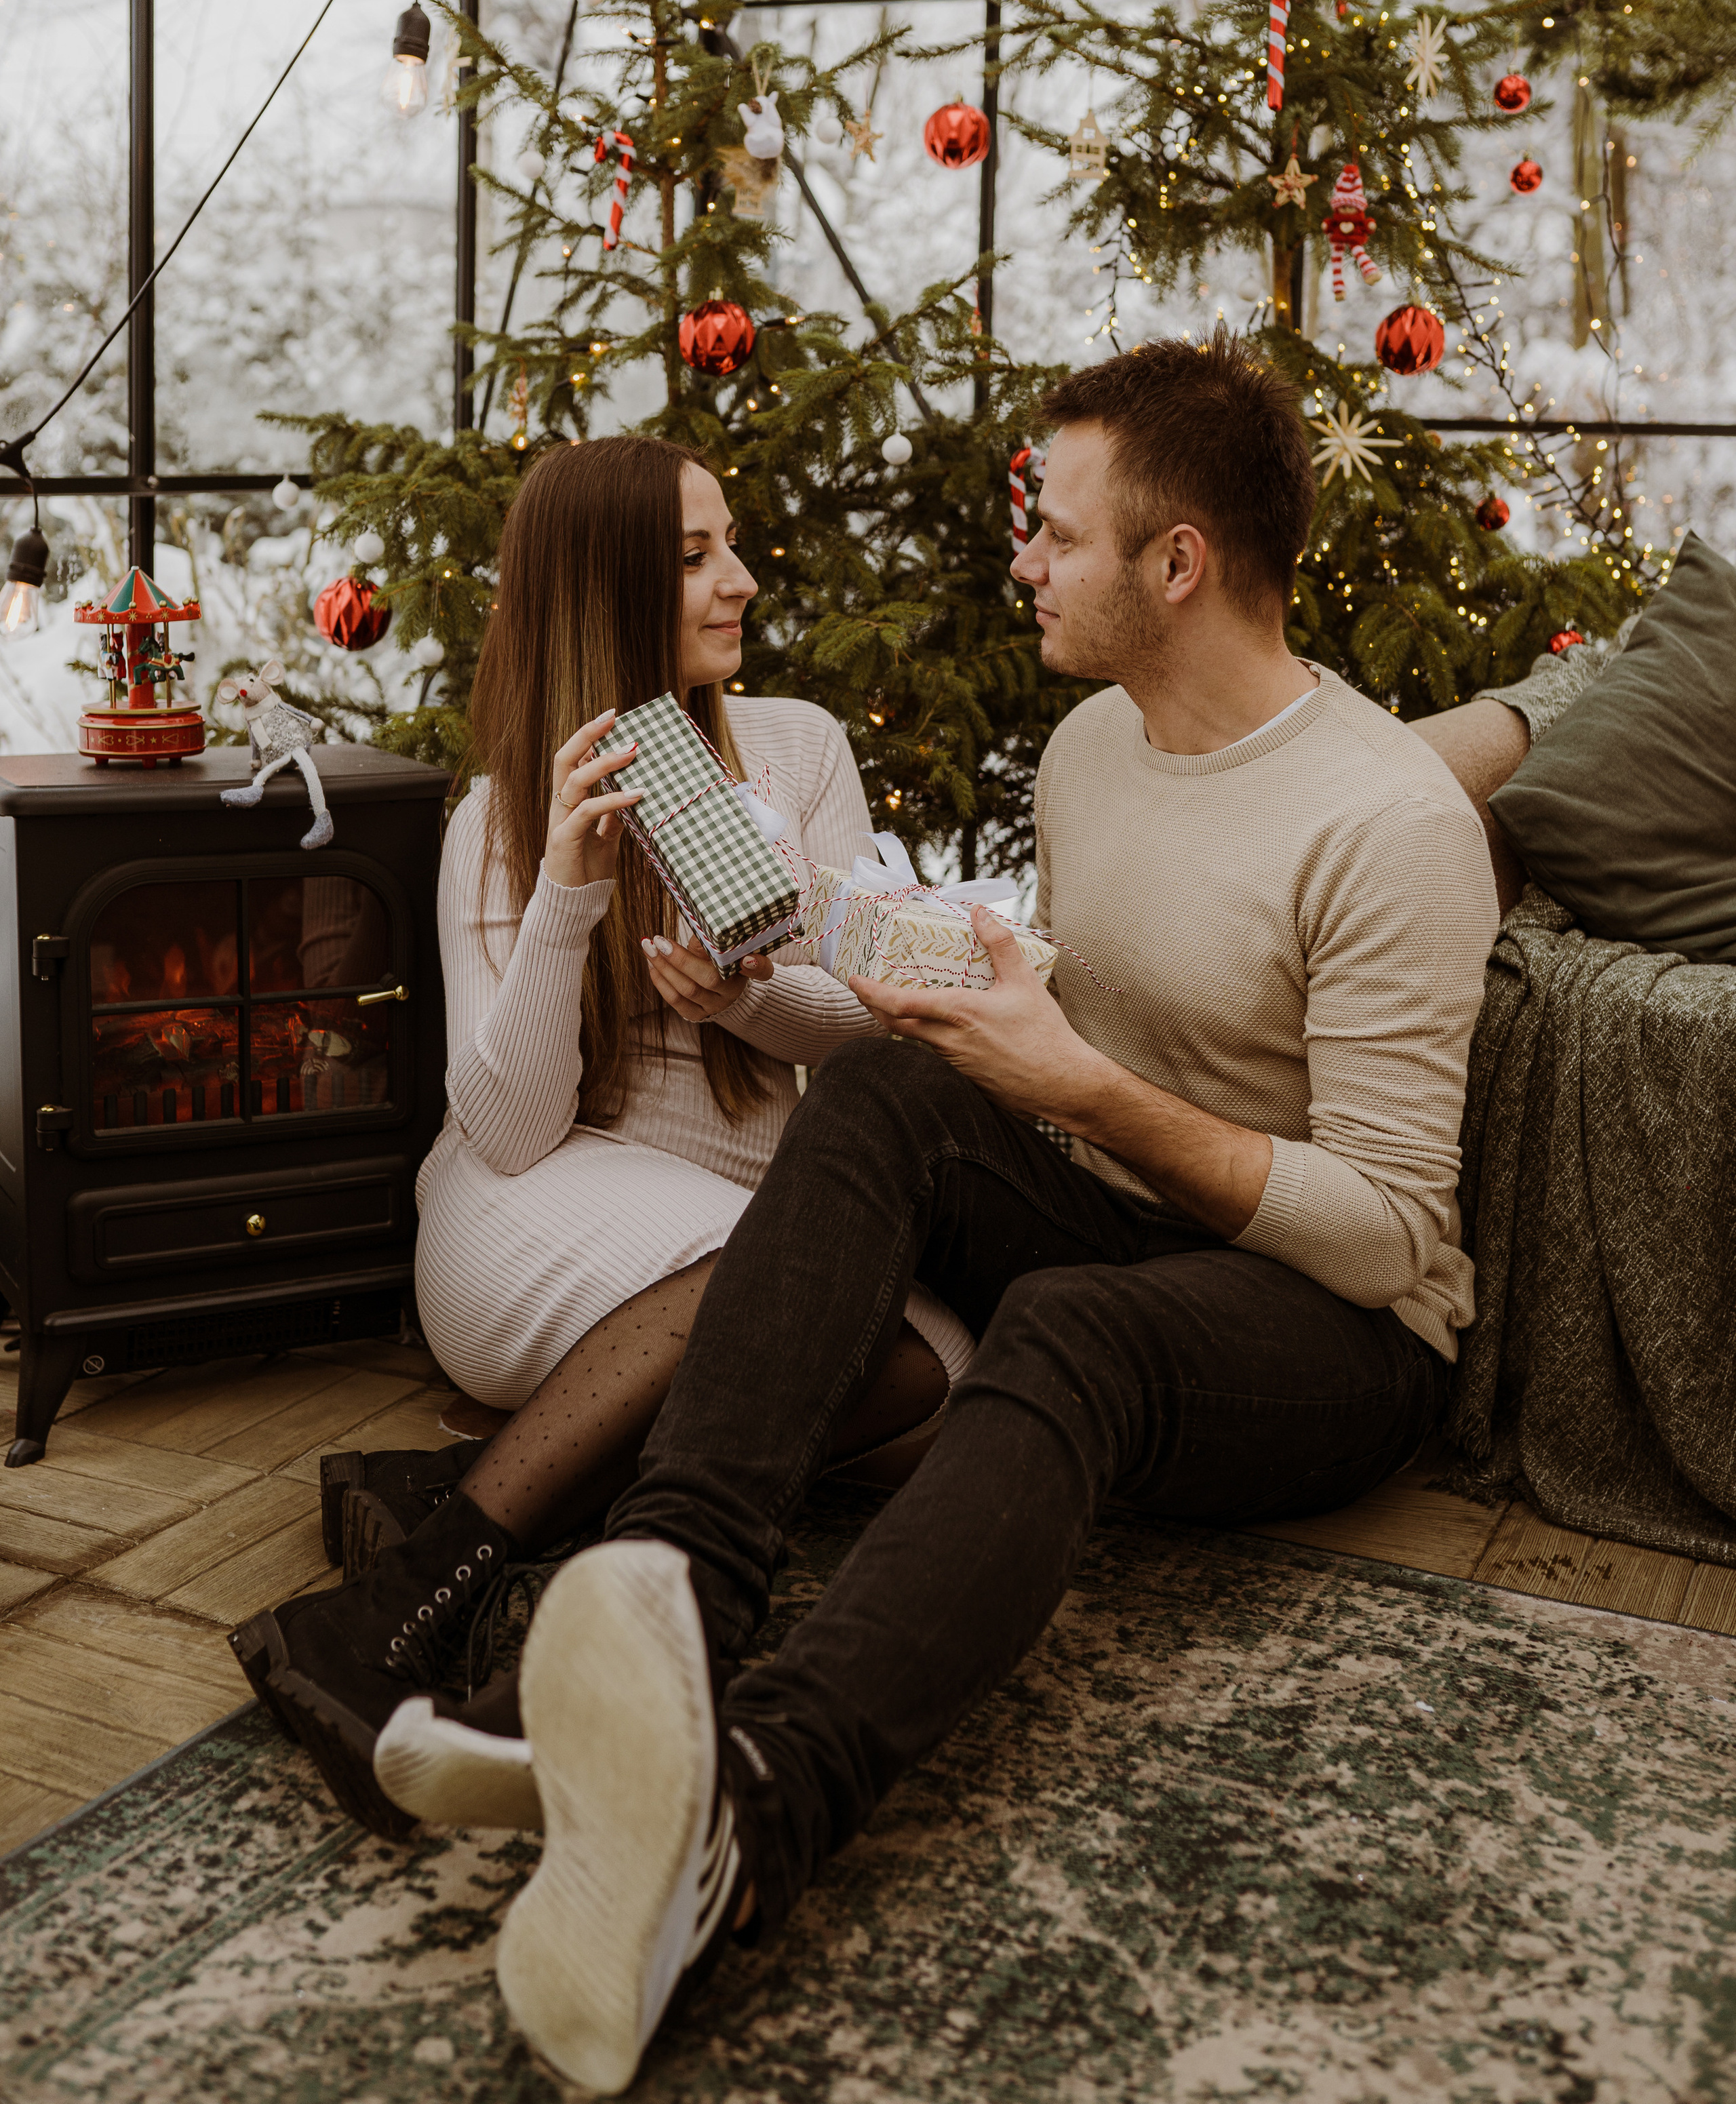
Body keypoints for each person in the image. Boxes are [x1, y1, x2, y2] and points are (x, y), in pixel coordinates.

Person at [477, 330, 1504, 2095]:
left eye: (1056, 528)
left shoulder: (1389, 825)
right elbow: (1093, 1023)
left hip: (1330, 1332)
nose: (1022, 557)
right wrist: (983, 994)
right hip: (1132, 1207)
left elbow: (1388, 1237)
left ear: (1174, 566)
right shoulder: (1096, 745)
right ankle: (667, 1604)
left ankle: (749, 1812)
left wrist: (1079, 1083)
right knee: (888, 1090)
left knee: (1071, 1333)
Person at [230, 435, 971, 1834]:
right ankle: (400, 1608)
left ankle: (468, 1483)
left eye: (729, 544)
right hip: (531, 1211)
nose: (739, 581)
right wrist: (566, 890)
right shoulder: (501, 815)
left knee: (940, 1382)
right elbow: (504, 1129)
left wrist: (753, 1004)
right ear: (603, 586)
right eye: (693, 558)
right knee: (825, 1337)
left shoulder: (800, 750)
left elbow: (874, 1033)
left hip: (740, 1213)